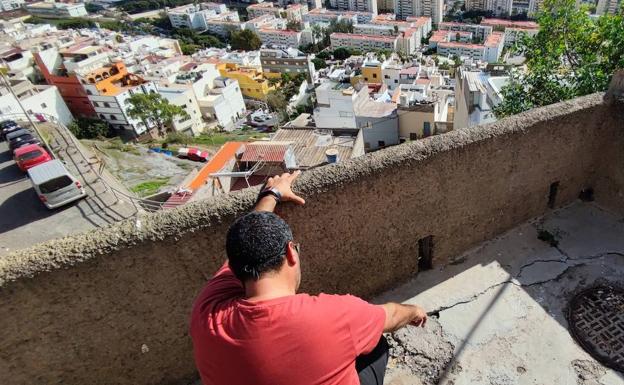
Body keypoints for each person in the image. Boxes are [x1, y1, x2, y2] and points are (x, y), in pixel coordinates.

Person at [190, 171, 428, 385]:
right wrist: (415, 311)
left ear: (233, 266)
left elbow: (247, 240)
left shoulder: (207, 311)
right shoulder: (335, 316)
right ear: (290, 252)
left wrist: (270, 195)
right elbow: (392, 315)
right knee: (376, 344)